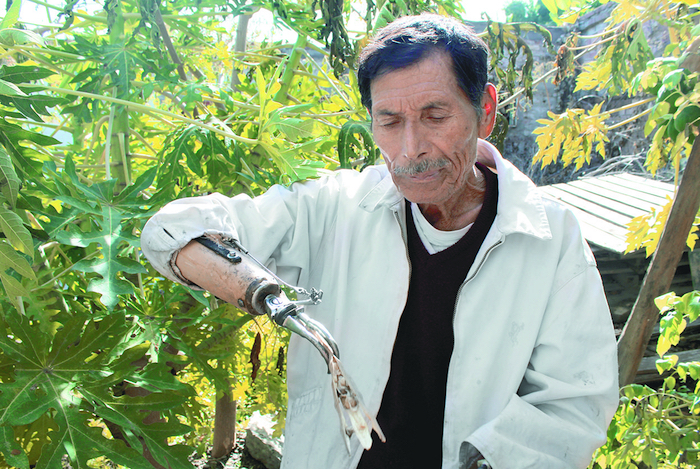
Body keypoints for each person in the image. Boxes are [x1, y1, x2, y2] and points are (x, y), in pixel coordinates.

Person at [141, 14, 619, 469]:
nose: (411, 149)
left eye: (435, 116)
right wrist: (257, 289)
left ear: (485, 111)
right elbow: (173, 228)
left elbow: (575, 406)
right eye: (389, 122)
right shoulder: (333, 208)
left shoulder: (551, 239)